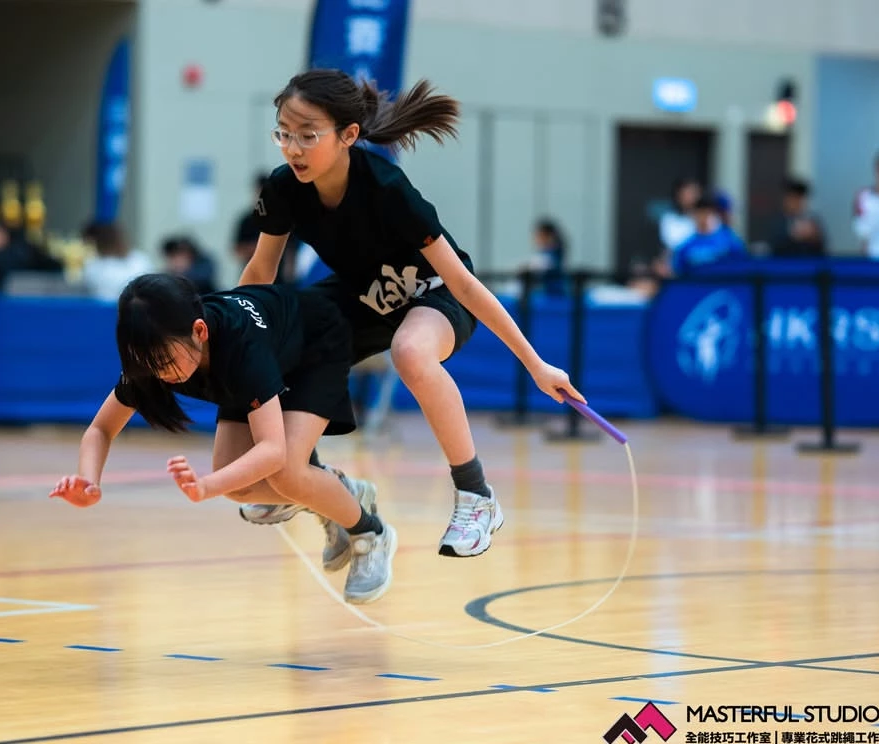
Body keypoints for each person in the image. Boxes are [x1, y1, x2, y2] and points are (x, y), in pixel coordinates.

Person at [235, 69, 584, 558]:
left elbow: (463, 282)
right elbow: (260, 272)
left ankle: (476, 494)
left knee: (410, 352)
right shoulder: (283, 189)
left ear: (348, 136)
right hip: (362, 296)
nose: (293, 148)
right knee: (288, 328)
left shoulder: (386, 189)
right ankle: (313, 478)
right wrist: (234, 335)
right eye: (284, 134)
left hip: (436, 295)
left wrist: (535, 364)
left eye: (308, 136)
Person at [48, 273, 396, 604]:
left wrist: (205, 487)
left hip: (312, 348)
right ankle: (331, 490)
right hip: (264, 362)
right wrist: (89, 481)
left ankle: (370, 533)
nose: (160, 375)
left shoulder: (240, 345)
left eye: (165, 362)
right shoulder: (153, 357)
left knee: (285, 470)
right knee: (240, 486)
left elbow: (272, 450)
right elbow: (100, 429)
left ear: (199, 331)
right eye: (149, 364)